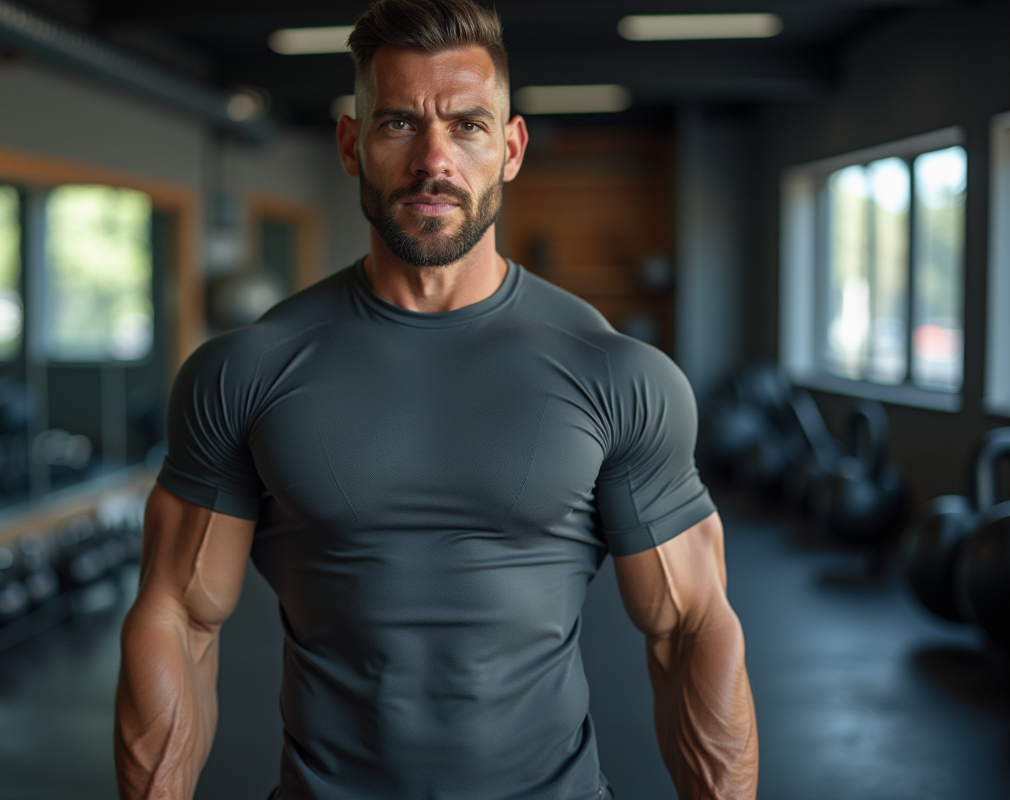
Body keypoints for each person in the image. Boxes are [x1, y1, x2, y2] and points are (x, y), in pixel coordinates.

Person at [114, 0, 758, 798]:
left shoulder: (615, 374)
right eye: (398, 125)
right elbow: (176, 617)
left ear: (511, 147)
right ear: (352, 143)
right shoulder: (246, 370)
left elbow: (692, 629)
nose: (433, 160)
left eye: (467, 126)